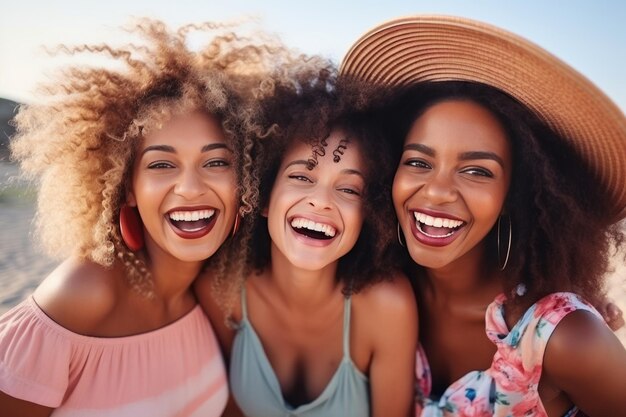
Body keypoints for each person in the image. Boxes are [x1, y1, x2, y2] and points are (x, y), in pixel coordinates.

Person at [340, 15, 626, 416]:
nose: (438, 191)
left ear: (516, 194)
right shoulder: (375, 285)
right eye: (419, 162)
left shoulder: (563, 338)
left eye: (477, 171)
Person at [0, 18, 282, 417]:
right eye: (162, 165)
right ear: (127, 188)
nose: (189, 188)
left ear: (246, 183)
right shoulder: (82, 293)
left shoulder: (215, 294)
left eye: (217, 161)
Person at [195, 72, 418, 416]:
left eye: (348, 189)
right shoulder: (220, 291)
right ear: (264, 196)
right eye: (302, 177)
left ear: (369, 214)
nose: (321, 201)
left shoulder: (386, 307)